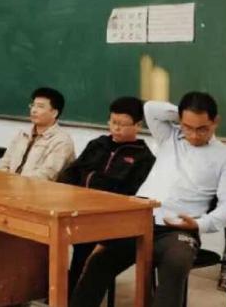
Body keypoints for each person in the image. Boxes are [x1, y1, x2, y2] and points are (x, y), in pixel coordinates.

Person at [70, 92, 226, 307]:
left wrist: (200, 224)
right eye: (188, 127)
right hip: (138, 221)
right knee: (98, 262)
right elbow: (151, 108)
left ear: (215, 121)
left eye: (202, 129)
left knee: (176, 263)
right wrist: (181, 115)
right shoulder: (170, 137)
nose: (194, 135)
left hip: (178, 229)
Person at [57, 96, 156, 293]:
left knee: (85, 246)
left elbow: (130, 193)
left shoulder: (144, 157)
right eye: (113, 122)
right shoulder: (98, 144)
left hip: (112, 218)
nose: (116, 128)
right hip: (79, 210)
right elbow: (71, 173)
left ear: (138, 125)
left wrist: (94, 184)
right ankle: (56, 288)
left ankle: (74, 294)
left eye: (122, 124)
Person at [0, 87, 75, 180]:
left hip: (38, 188)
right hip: (9, 185)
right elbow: (5, 162)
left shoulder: (62, 141)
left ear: (54, 113)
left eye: (40, 106)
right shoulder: (23, 134)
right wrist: (5, 180)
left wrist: (15, 183)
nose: (33, 110)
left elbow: (46, 175)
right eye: (33, 105)